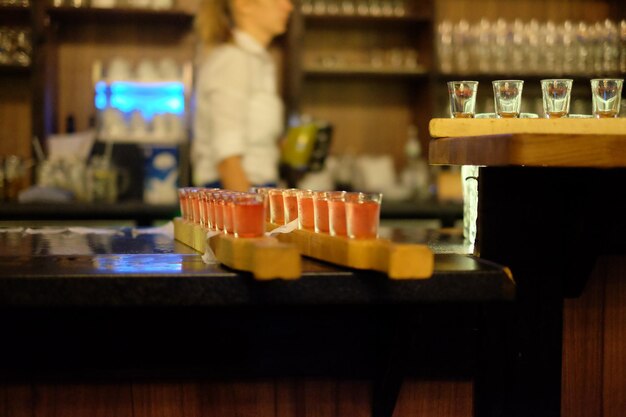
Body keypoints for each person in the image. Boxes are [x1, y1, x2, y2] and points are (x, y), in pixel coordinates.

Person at [192, 0, 293, 191]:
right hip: (234, 195)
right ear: (244, 4)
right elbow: (227, 160)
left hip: (252, 193)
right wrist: (251, 216)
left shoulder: (255, 62)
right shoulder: (233, 61)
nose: (288, 6)